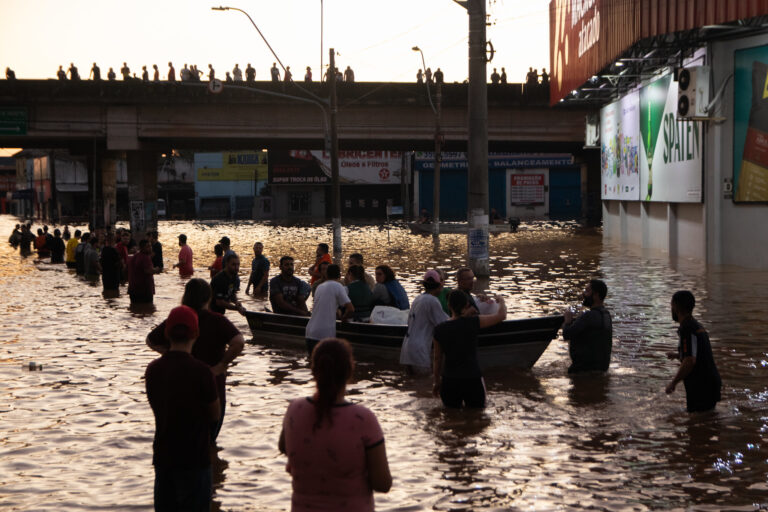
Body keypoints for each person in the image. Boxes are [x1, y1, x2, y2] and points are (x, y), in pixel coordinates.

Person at [278, 338, 391, 510]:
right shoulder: (363, 419)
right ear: (349, 371)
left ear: (314, 370)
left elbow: (284, 447)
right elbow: (382, 484)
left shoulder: (294, 410)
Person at [147, 279, 245, 443]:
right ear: (209, 298)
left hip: (178, 388)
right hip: (213, 388)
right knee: (207, 441)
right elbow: (239, 342)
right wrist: (221, 365)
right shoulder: (217, 320)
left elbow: (151, 340)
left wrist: (169, 353)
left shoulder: (178, 319)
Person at [145, 305, 219, 512]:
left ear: (167, 333)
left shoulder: (153, 370)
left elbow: (156, 406)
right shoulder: (203, 372)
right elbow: (215, 415)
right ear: (195, 333)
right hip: (195, 459)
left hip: (164, 457)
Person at [432, 290, 507, 408]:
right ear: (466, 305)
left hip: (449, 381)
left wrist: (436, 382)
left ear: (449, 305)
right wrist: (501, 301)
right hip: (472, 379)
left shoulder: (438, 329)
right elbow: (501, 315)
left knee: (450, 419)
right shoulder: (474, 322)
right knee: (477, 419)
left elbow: (437, 359)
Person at [665, 290, 722, 412]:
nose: (671, 309)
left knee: (698, 422)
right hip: (709, 383)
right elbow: (697, 353)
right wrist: (678, 355)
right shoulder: (696, 326)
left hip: (702, 386)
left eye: (671, 306)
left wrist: (673, 383)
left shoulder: (687, 329)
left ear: (676, 307)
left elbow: (690, 360)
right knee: (706, 421)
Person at [400, 270, 449, 374]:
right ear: (439, 285)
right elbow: (445, 324)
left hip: (406, 347)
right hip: (419, 349)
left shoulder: (418, 298)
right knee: (423, 384)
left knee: (410, 383)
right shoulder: (432, 301)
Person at [561, 279, 613, 374]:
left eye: (587, 291)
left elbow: (566, 334)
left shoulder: (588, 316)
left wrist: (568, 321)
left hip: (582, 370)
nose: (583, 294)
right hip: (602, 368)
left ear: (596, 295)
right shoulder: (606, 315)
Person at [305, 264, 353, 356]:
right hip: (324, 333)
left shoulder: (320, 287)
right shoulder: (338, 286)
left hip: (309, 331)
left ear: (326, 274)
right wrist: (344, 318)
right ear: (339, 275)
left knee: (313, 365)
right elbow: (351, 309)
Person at [128, 239, 160, 304]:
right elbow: (148, 271)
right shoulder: (145, 258)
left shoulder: (135, 256)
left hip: (133, 289)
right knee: (147, 311)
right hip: (144, 291)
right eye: (148, 246)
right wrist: (156, 269)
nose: (150, 248)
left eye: (150, 246)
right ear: (142, 248)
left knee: (135, 310)